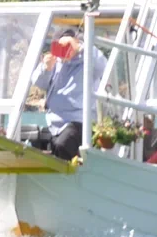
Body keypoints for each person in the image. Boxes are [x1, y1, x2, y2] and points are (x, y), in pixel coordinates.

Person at [26, 32, 106, 161]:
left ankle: (68, 177)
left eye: (66, 46)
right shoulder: (56, 62)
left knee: (63, 144)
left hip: (79, 121)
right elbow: (38, 82)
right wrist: (46, 68)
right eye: (59, 46)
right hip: (55, 123)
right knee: (35, 143)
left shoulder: (88, 61)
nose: (63, 51)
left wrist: (78, 46)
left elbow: (102, 64)